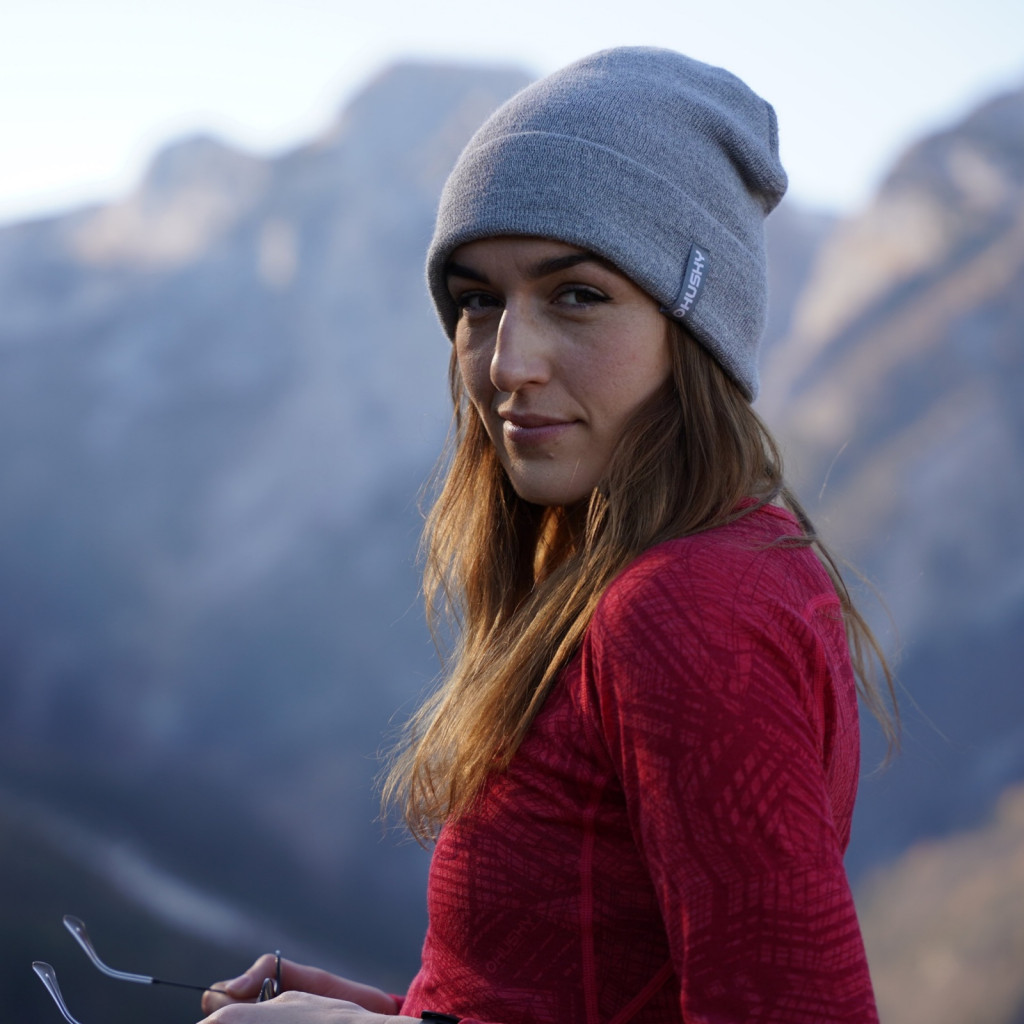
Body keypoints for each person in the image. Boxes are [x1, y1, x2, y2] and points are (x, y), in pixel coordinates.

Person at [200, 46, 896, 1024]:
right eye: (477, 300)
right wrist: (404, 1014)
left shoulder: (686, 609)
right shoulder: (688, 564)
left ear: (693, 328)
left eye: (577, 295)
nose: (506, 362)